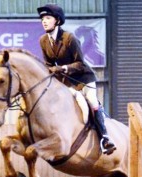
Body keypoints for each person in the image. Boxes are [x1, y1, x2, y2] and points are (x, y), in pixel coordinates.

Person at [37, 3, 116, 155]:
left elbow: (80, 63)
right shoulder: (43, 41)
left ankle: (105, 138)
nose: (44, 21)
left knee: (91, 101)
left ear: (57, 21)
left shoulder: (69, 38)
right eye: (42, 19)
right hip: (66, 81)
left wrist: (63, 68)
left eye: (48, 18)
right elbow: (48, 64)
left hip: (83, 78)